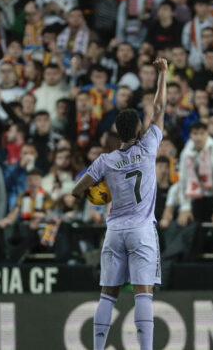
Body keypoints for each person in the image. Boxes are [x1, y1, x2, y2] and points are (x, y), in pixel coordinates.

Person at [72, 58, 168, 350]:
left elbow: (77, 190)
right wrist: (163, 73)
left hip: (114, 232)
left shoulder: (106, 160)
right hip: (142, 230)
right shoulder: (149, 146)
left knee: (107, 295)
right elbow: (160, 108)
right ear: (139, 131)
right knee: (143, 294)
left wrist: (102, 194)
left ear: (117, 132)